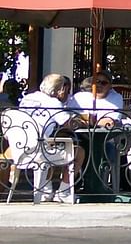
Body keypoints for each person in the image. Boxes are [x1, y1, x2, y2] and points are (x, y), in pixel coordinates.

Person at [15, 74, 85, 202]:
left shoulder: (28, 98)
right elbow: (68, 124)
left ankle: (45, 191)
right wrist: (80, 122)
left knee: (51, 145)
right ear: (61, 90)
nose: (67, 94)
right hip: (39, 150)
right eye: (66, 91)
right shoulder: (53, 102)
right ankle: (63, 192)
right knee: (78, 152)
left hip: (20, 148)